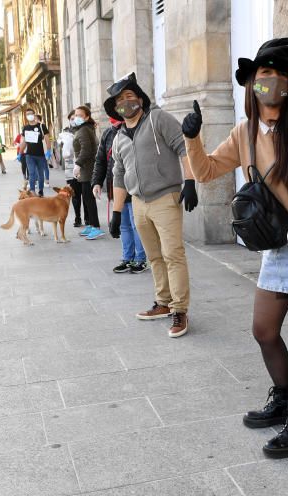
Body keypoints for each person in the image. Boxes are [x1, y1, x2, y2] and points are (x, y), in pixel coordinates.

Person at [182, 37, 288, 458]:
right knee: (264, 331)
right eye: (260, 75)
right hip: (274, 247)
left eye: (275, 74)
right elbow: (207, 170)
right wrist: (192, 138)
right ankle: (283, 397)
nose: (266, 82)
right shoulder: (243, 131)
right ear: (251, 84)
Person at [106, 72, 198, 338]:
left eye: (130, 97)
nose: (125, 103)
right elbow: (119, 175)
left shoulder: (158, 119)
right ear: (115, 108)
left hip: (164, 198)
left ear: (140, 99)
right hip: (138, 203)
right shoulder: (119, 137)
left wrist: (190, 182)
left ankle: (180, 310)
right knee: (154, 257)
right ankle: (163, 302)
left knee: (173, 254)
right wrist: (116, 212)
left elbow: (183, 146)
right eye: (119, 100)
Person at [94, 110, 146, 272]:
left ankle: (140, 259)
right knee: (123, 225)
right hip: (115, 188)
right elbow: (101, 159)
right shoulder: (108, 134)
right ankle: (127, 258)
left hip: (134, 188)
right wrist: (96, 181)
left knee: (136, 224)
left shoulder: (138, 130)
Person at [71, 105, 102, 239]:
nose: (76, 117)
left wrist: (78, 164)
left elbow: (86, 150)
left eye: (80, 115)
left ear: (87, 117)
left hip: (87, 169)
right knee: (86, 198)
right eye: (75, 115)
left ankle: (95, 227)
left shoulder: (83, 130)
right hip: (86, 169)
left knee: (89, 199)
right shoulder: (85, 128)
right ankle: (90, 225)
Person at [19, 107, 50, 195]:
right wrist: (20, 153)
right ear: (26, 116)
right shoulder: (25, 128)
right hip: (29, 155)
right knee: (32, 173)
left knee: (40, 174)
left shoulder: (41, 126)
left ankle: (40, 191)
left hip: (40, 155)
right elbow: (24, 141)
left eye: (31, 114)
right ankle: (32, 191)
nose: (29, 116)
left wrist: (49, 151)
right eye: (27, 114)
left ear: (34, 115)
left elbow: (47, 139)